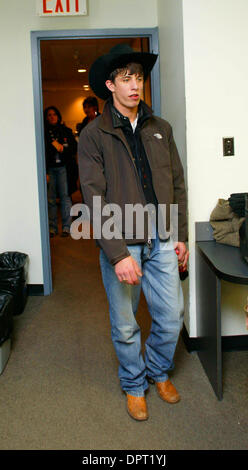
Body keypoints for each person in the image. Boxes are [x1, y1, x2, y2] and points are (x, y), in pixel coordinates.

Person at [78, 44, 189, 421]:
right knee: (126, 323)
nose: (135, 85)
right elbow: (93, 196)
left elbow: (177, 184)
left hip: (161, 235)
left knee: (172, 314)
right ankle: (134, 384)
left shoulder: (161, 128)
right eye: (126, 78)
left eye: (138, 77)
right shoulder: (94, 134)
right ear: (110, 85)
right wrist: (118, 252)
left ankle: (158, 371)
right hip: (123, 241)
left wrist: (180, 234)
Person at [44, 106, 78, 237]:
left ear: (58, 116)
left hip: (64, 168)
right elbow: (44, 152)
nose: (52, 117)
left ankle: (66, 226)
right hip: (50, 169)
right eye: (49, 115)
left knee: (65, 197)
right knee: (51, 199)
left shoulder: (66, 131)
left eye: (54, 114)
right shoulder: (44, 133)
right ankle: (52, 228)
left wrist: (62, 148)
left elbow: (74, 148)